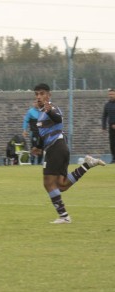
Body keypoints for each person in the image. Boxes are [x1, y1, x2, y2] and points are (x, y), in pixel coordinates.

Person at [30, 83, 105, 224]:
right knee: (62, 185)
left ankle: (64, 216)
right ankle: (87, 165)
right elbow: (42, 135)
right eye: (36, 94)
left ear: (48, 95)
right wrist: (37, 147)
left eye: (41, 93)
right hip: (59, 148)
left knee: (48, 183)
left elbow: (58, 118)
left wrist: (49, 111)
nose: (39, 97)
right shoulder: (41, 114)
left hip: (55, 148)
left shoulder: (51, 108)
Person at [102, 88, 115, 164]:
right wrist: (104, 127)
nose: (111, 96)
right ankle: (114, 158)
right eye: (110, 94)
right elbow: (104, 116)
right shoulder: (107, 105)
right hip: (111, 128)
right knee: (112, 143)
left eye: (112, 94)